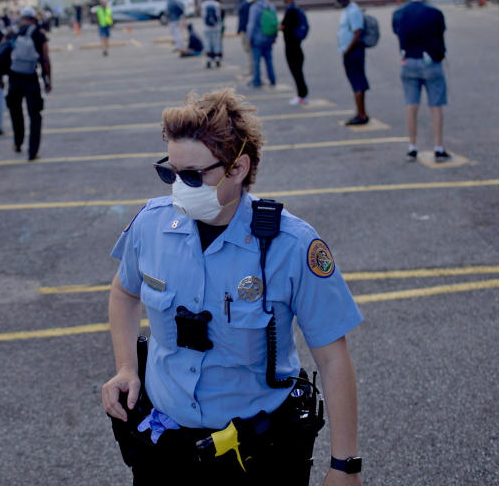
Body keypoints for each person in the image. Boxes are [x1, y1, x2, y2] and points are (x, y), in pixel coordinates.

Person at [102, 89, 363, 486]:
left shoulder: (291, 245)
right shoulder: (151, 225)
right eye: (169, 172)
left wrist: (345, 466)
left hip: (256, 453)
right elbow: (124, 293)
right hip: (164, 447)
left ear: (238, 168)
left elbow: (332, 358)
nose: (178, 186)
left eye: (193, 175)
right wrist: (126, 368)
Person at [391, 0, 450, 162]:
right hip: (430, 61)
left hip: (408, 60)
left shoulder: (399, 13)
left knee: (411, 104)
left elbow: (397, 31)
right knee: (436, 105)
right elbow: (440, 33)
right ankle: (438, 146)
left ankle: (412, 146)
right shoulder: (434, 13)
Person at [6, 7, 52, 160]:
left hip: (14, 77)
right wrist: (47, 79)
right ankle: (33, 151)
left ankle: (18, 142)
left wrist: (0, 76)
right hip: (31, 78)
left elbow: (2, 54)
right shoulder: (38, 33)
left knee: (15, 112)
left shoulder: (12, 32)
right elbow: (45, 59)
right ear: (33, 18)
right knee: (35, 115)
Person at [332, 0, 369, 126]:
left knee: (357, 82)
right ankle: (361, 112)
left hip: (354, 52)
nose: (336, 0)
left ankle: (361, 114)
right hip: (349, 51)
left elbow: (357, 32)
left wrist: (347, 49)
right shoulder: (347, 10)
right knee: (355, 82)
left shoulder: (353, 11)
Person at [279, 0, 309, 105]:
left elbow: (284, 26)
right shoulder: (295, 9)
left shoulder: (291, 10)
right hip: (296, 46)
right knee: (298, 71)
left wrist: (281, 27)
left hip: (292, 47)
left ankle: (302, 95)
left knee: (297, 72)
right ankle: (301, 95)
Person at [245, 0, 277, 88]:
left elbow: (251, 25)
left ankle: (257, 81)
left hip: (257, 39)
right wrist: (274, 36)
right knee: (269, 60)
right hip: (269, 37)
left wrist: (249, 38)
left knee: (256, 61)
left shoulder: (254, 8)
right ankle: (272, 79)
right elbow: (274, 22)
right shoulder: (270, 6)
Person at [200, 0, 224, 68]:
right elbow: (219, 15)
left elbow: (203, 16)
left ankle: (209, 60)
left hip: (206, 27)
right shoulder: (217, 4)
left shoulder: (203, 5)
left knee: (208, 44)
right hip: (216, 27)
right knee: (216, 43)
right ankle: (217, 59)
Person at [236, 0, 252, 76]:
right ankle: (251, 69)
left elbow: (243, 18)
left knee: (249, 50)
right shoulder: (247, 2)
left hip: (246, 30)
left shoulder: (244, 3)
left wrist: (240, 29)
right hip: (247, 29)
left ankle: (251, 70)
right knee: (249, 51)